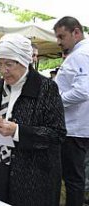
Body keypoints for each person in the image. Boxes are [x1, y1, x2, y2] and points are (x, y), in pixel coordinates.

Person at [0, 33, 66, 206]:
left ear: (24, 61)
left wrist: (18, 131)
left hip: (32, 173)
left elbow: (57, 134)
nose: (3, 70)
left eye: (9, 64)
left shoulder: (46, 88)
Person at [53, 16, 89, 206]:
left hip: (74, 128)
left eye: (61, 36)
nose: (58, 42)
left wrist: (54, 101)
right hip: (78, 126)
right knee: (76, 177)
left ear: (76, 32)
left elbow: (83, 92)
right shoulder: (80, 53)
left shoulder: (80, 55)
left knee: (73, 179)